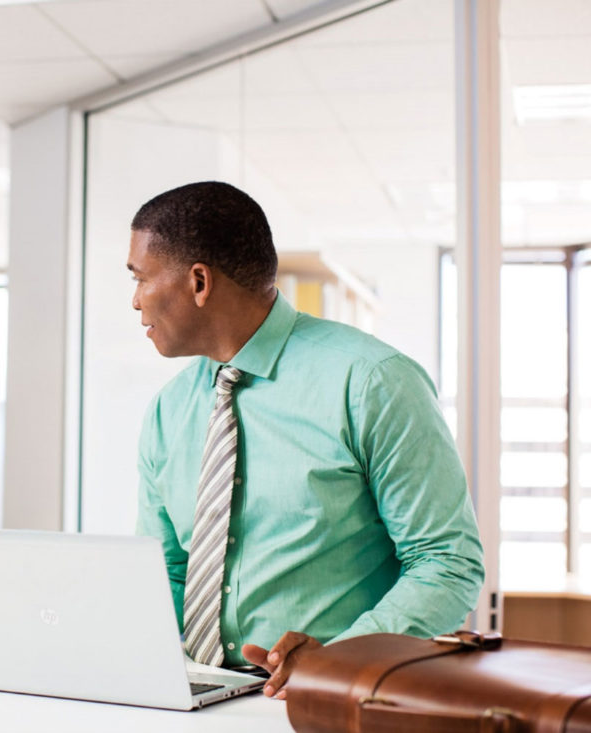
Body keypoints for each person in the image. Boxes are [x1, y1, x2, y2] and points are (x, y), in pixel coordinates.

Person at [128, 181, 484, 699]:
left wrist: (339, 659)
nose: (135, 300)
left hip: (337, 700)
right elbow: (165, 574)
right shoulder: (168, 411)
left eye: (139, 278)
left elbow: (448, 562)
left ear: (199, 282)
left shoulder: (372, 382)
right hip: (190, 700)